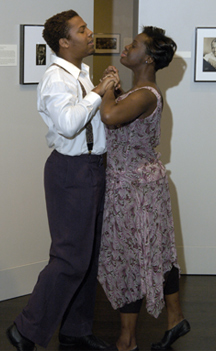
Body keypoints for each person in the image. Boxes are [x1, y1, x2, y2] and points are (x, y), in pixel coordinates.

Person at [6, 9, 118, 351]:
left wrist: (106, 90)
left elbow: (97, 121)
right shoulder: (56, 78)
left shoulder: (82, 74)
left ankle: (76, 329)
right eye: (82, 29)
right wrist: (99, 91)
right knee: (69, 257)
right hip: (71, 171)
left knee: (88, 256)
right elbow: (69, 124)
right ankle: (25, 330)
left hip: (93, 167)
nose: (90, 33)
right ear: (64, 42)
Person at [97, 27, 190, 351]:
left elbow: (109, 116)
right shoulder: (140, 91)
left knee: (133, 259)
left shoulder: (146, 93)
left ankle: (128, 338)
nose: (126, 46)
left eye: (134, 45)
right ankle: (174, 318)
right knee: (154, 253)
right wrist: (116, 87)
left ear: (148, 58)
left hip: (135, 189)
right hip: (139, 186)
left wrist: (107, 87)